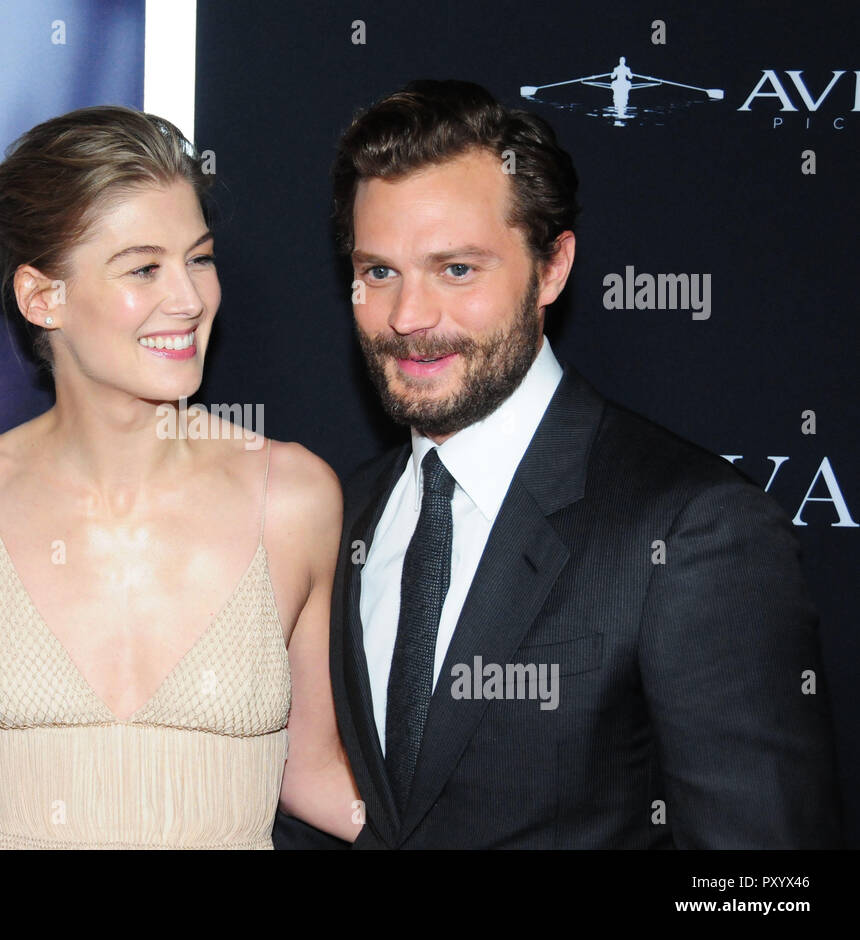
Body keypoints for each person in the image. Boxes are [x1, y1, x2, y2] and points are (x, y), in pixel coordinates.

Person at [286, 79, 840, 848]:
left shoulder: (695, 530)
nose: (407, 318)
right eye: (380, 272)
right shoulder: (341, 515)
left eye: (457, 270)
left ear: (551, 268)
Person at [0, 105, 360, 848]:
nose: (189, 299)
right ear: (41, 296)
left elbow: (311, 773)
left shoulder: (292, 497)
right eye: (144, 267)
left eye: (200, 258)